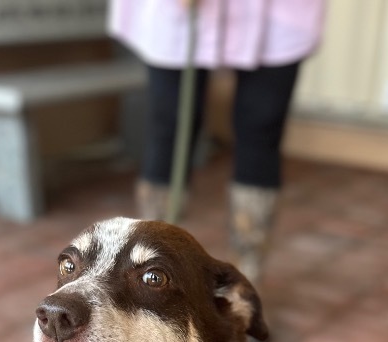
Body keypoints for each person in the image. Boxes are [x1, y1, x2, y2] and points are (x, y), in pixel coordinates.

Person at [108, 0, 326, 285]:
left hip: (276, 10)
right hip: (179, 12)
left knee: (262, 127)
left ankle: (245, 286)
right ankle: (151, 274)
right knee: (170, 125)